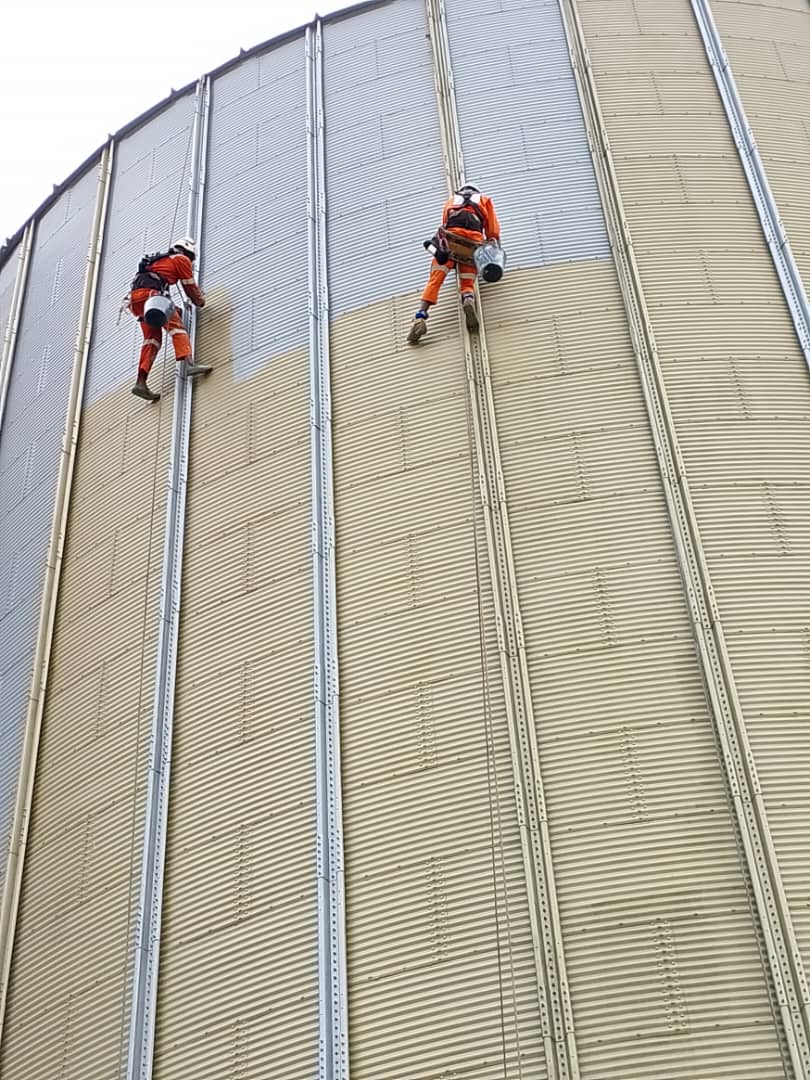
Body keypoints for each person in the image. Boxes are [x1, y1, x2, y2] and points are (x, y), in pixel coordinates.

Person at [408, 183, 501, 345]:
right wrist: (493, 245)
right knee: (467, 279)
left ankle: (420, 316)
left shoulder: (452, 200)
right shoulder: (484, 199)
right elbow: (492, 230)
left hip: (451, 240)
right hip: (473, 242)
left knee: (435, 279)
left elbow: (445, 222)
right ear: (476, 191)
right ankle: (468, 299)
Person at [128, 236, 211, 402]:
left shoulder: (159, 262)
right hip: (151, 296)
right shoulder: (181, 259)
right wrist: (200, 301)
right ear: (188, 253)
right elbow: (190, 288)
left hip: (136, 301)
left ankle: (141, 382)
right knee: (177, 328)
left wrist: (176, 309)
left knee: (152, 339)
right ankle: (188, 364)